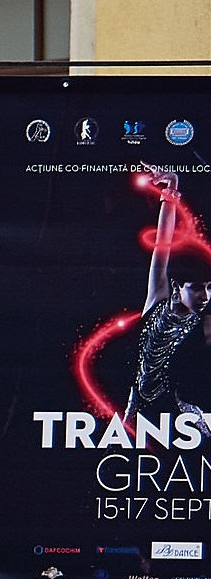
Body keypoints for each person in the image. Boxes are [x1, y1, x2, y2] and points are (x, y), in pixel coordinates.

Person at [123, 169, 211, 422]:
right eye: (196, 287)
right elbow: (162, 242)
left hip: (174, 410)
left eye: (209, 287)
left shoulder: (202, 322)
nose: (204, 295)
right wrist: (170, 191)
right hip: (137, 406)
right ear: (177, 287)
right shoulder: (158, 299)